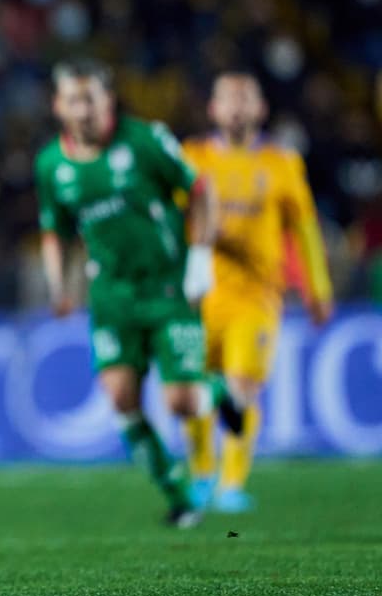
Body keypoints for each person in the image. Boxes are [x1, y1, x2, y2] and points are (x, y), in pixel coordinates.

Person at [35, 60, 247, 528]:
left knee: (183, 403)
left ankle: (219, 392)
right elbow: (57, 231)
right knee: (121, 398)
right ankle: (179, 494)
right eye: (74, 100)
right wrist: (59, 286)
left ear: (108, 101)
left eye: (92, 99)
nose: (84, 110)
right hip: (112, 295)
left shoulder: (146, 140)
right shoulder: (52, 165)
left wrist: (200, 258)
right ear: (59, 106)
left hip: (169, 287)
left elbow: (202, 190)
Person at [181, 72, 333, 513]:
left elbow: (304, 228)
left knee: (242, 384)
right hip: (200, 294)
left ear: (261, 109)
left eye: (246, 99)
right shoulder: (192, 158)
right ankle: (203, 473)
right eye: (228, 99)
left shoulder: (282, 164)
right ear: (213, 109)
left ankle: (231, 484)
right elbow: (169, 215)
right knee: (193, 389)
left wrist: (316, 287)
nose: (237, 107)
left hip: (258, 295)